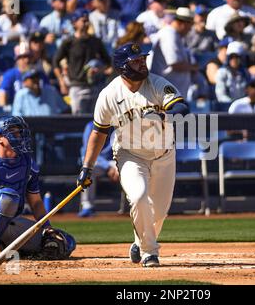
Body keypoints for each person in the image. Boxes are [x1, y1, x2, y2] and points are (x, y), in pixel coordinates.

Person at [77, 43, 189, 267]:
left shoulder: (157, 83)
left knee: (159, 212)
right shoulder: (108, 95)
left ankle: (140, 241)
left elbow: (182, 107)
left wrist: (165, 114)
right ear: (122, 67)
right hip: (130, 155)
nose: (142, 63)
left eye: (142, 59)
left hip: (164, 154)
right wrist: (87, 167)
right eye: (136, 61)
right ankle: (149, 252)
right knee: (138, 197)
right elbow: (98, 133)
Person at [0, 116, 76, 260]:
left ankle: (16, 250)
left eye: (20, 132)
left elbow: (36, 202)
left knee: (63, 241)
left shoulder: (28, 164)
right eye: (13, 132)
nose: (19, 136)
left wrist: (47, 227)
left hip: (12, 221)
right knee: (7, 197)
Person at [53, 9, 112, 114]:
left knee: (96, 118)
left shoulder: (95, 41)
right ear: (74, 22)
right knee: (78, 119)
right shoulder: (69, 42)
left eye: (87, 20)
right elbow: (55, 62)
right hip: (76, 87)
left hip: (94, 86)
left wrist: (99, 70)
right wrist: (62, 81)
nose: (86, 23)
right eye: (83, 20)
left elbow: (108, 63)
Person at [149, 7, 198, 99]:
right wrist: (193, 67)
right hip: (166, 93)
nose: (190, 30)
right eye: (189, 26)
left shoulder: (175, 35)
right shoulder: (169, 34)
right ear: (181, 23)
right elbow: (175, 64)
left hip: (171, 92)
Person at [78, 121, 118, 217]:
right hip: (97, 161)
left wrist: (117, 165)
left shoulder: (119, 126)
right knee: (88, 170)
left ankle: (134, 206)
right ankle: (87, 206)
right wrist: (108, 167)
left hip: (115, 161)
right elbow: (88, 152)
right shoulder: (91, 126)